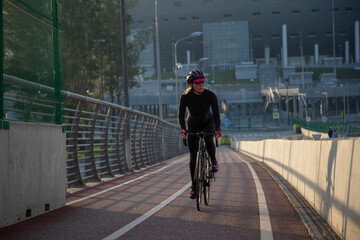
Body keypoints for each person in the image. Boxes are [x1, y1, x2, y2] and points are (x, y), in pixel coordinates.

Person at [178, 69, 221, 199]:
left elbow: (217, 115)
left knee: (208, 139)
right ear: (191, 85)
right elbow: (180, 116)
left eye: (203, 82)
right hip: (192, 124)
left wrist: (218, 129)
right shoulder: (185, 97)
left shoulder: (210, 95)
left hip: (208, 122)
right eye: (198, 82)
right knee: (193, 156)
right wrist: (183, 129)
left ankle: (213, 161)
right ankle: (194, 186)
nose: (201, 85)